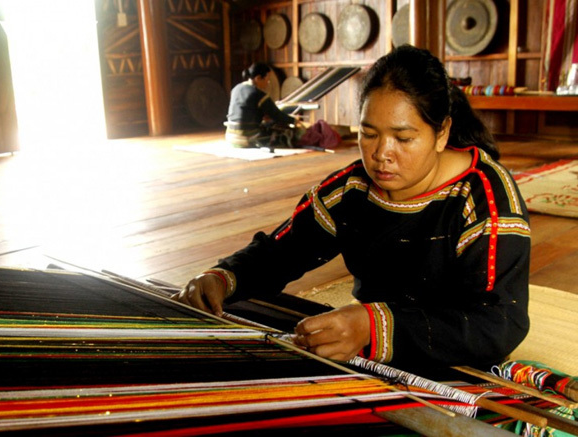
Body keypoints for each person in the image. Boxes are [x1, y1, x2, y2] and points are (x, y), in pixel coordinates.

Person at [175, 45, 530, 372]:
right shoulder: (352, 190)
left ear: (441, 134)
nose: (381, 154)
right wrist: (223, 276)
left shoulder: (484, 200)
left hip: (457, 364)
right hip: (369, 348)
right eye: (369, 133)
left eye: (403, 138)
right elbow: (283, 250)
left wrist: (372, 326)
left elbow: (499, 322)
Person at [225, 62, 297, 148]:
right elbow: (277, 115)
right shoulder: (258, 94)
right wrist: (295, 121)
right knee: (284, 131)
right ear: (258, 78)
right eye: (267, 79)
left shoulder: (236, 88)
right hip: (245, 138)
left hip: (229, 136)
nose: (269, 82)